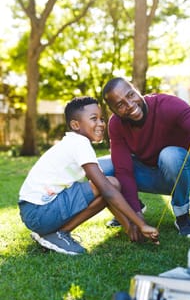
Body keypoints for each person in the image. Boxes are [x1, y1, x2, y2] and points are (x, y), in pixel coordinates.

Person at [18, 96, 159, 255]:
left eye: (101, 119)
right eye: (94, 119)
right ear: (75, 125)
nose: (101, 124)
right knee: (110, 184)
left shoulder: (73, 142)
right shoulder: (79, 143)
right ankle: (59, 234)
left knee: (107, 185)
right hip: (40, 210)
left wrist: (131, 227)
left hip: (33, 211)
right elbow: (107, 189)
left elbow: (104, 193)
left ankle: (54, 232)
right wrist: (140, 223)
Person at [102, 77, 190, 238]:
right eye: (120, 105)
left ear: (136, 89)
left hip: (182, 172)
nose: (130, 105)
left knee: (170, 155)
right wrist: (136, 215)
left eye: (130, 95)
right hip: (149, 174)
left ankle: (182, 216)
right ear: (113, 111)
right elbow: (123, 170)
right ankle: (131, 207)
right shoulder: (116, 125)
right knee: (101, 168)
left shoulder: (167, 104)